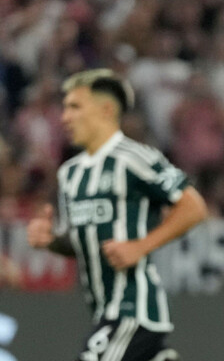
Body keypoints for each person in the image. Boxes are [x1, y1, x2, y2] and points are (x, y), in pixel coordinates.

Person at [27, 69, 208, 361]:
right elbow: (83, 241)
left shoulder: (135, 158)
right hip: (103, 310)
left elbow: (193, 207)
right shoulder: (69, 174)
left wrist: (141, 246)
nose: (65, 117)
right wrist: (51, 241)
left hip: (135, 310)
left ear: (106, 110)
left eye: (75, 107)